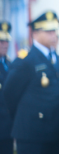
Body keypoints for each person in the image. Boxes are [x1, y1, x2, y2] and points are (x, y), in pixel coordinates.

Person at [4, 11, 59, 154]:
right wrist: (24, 118)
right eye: (49, 31)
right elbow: (9, 94)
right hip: (33, 134)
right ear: (35, 33)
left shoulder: (55, 57)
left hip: (56, 131)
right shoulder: (26, 60)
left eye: (55, 31)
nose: (54, 35)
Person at [0, 21, 13, 154]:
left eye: (6, 40)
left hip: (7, 128)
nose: (4, 44)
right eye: (1, 41)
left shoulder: (10, 63)